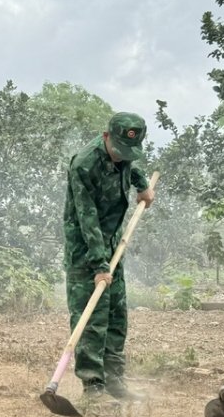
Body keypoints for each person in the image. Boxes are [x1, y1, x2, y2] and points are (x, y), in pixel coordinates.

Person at [63, 112, 155, 402]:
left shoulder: (124, 153)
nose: (122, 156)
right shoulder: (84, 164)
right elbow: (86, 217)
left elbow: (131, 165)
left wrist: (142, 186)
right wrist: (98, 264)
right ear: (106, 137)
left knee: (116, 315)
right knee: (92, 317)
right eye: (118, 150)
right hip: (86, 251)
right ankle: (93, 388)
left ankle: (114, 381)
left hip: (114, 245)